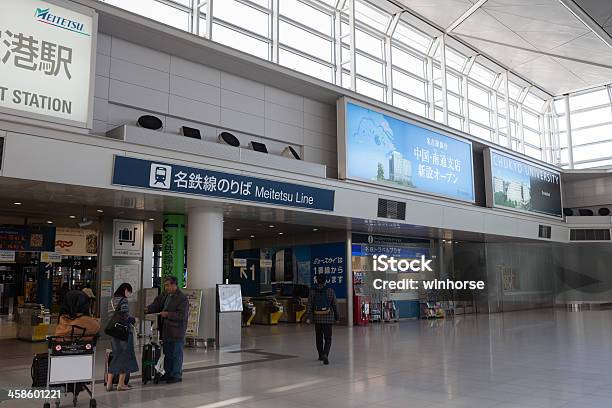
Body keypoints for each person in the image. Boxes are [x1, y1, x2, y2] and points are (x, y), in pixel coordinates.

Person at [146, 276, 189, 384]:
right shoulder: (165, 295)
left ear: (175, 285)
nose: (166, 287)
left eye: (168, 285)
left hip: (177, 330)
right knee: (167, 353)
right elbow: (156, 304)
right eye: (165, 285)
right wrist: (148, 309)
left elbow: (182, 315)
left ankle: (176, 375)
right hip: (166, 329)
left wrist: (168, 314)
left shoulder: (182, 298)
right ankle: (168, 373)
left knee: (176, 353)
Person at [106, 283, 139, 392]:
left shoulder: (111, 300)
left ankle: (109, 383)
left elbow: (112, 316)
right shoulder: (123, 300)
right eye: (129, 291)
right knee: (125, 356)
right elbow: (125, 315)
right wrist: (134, 320)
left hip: (113, 332)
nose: (129, 294)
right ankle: (121, 384)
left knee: (115, 356)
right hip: (123, 332)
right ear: (125, 290)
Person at [304, 274, 339, 365]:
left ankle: (320, 355)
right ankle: (325, 354)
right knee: (328, 338)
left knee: (318, 338)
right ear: (325, 281)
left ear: (316, 281)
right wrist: (337, 317)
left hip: (317, 318)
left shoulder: (312, 291)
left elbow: (309, 306)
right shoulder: (330, 291)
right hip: (328, 318)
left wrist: (306, 317)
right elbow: (335, 305)